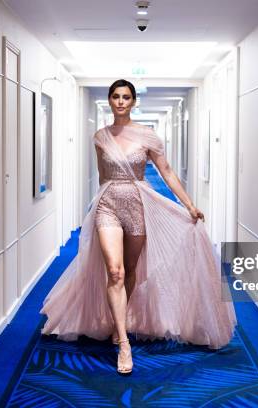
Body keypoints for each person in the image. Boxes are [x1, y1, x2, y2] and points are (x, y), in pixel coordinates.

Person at [40, 79, 236, 375]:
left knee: (130, 271)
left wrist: (188, 205)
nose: (120, 101)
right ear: (110, 100)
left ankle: (119, 318)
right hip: (107, 204)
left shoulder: (147, 136)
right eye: (116, 96)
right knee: (115, 271)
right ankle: (123, 344)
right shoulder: (100, 136)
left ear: (133, 102)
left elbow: (166, 171)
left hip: (138, 205)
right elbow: (102, 175)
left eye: (126, 97)